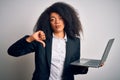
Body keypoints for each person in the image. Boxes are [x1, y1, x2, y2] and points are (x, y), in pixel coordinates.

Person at [7, 2, 88, 80]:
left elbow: (73, 68)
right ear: (48, 22)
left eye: (61, 18)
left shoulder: (75, 41)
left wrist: (84, 66)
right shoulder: (41, 39)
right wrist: (30, 38)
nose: (57, 22)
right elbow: (13, 51)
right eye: (53, 19)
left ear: (67, 20)